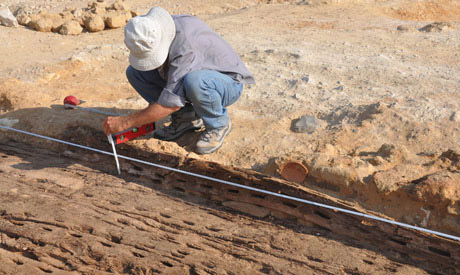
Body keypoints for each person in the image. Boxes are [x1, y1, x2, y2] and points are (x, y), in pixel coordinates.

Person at [103, 7, 254, 154]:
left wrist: (125, 122)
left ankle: (218, 123)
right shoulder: (151, 29)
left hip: (227, 83)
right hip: (196, 75)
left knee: (195, 81)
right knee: (136, 73)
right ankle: (186, 119)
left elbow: (169, 105)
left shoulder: (185, 47)